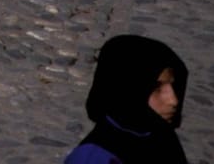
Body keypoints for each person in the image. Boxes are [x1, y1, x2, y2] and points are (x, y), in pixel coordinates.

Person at [64, 34, 188, 164]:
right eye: (157, 88)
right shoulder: (94, 158)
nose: (173, 100)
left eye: (172, 86)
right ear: (128, 90)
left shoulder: (161, 138)